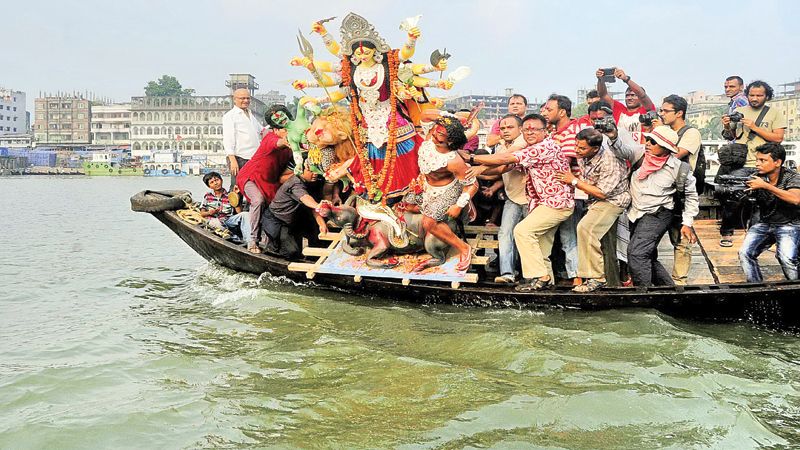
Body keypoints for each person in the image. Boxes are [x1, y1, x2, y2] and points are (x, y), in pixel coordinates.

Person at [293, 13, 461, 205]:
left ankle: (412, 194)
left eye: (367, 51)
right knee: (368, 162)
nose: (362, 55)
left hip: (394, 122)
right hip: (366, 125)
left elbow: (410, 64)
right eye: (358, 53)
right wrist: (310, 71)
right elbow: (331, 84)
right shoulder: (350, 70)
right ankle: (373, 196)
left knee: (405, 159)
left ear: (376, 50)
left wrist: (413, 42)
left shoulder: (388, 65)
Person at [468, 114, 575, 291]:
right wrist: (471, 169)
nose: (530, 133)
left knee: (522, 231)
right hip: (544, 205)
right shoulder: (532, 150)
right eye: (526, 130)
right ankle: (545, 287)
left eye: (534, 129)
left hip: (556, 204)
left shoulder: (544, 147)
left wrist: (472, 158)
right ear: (522, 132)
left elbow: (504, 159)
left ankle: (541, 277)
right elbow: (503, 168)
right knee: (541, 248)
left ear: (545, 130)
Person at [608, 125, 699, 288]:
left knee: (636, 253)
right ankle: (668, 289)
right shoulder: (639, 154)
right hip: (635, 213)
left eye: (653, 141)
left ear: (665, 147)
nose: (648, 143)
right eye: (647, 139)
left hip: (658, 213)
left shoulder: (679, 169)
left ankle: (643, 293)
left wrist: (687, 223)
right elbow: (622, 150)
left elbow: (692, 197)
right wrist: (614, 136)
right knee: (647, 256)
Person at [554, 128, 630, 292]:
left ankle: (597, 278)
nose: (577, 150)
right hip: (593, 200)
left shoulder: (610, 160)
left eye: (581, 148)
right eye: (576, 146)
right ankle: (592, 278)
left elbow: (603, 193)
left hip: (613, 200)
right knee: (587, 231)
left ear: (595, 148)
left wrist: (574, 182)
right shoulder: (584, 156)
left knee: (586, 228)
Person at [720, 80, 786, 245]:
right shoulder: (740, 110)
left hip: (764, 165)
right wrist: (727, 127)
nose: (754, 98)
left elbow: (778, 138)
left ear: (767, 96)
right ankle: (726, 233)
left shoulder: (775, 113)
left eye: (759, 95)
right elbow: (731, 137)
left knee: (761, 202)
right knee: (731, 196)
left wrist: (755, 127)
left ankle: (753, 236)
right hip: (741, 162)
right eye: (752, 95)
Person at [409, 113, 477, 271]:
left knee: (429, 222)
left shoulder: (454, 161)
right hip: (425, 184)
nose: (434, 134)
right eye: (435, 130)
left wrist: (459, 205)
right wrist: (452, 118)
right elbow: (426, 115)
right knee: (408, 206)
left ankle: (463, 248)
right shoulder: (428, 139)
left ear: (450, 141)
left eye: (439, 134)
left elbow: (473, 185)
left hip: (446, 190)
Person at [738, 143, 800, 283]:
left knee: (786, 258)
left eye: (763, 160)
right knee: (745, 253)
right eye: (757, 160)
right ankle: (756, 288)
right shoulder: (757, 176)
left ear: (778, 162)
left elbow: (795, 199)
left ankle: (795, 289)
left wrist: (765, 186)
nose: (757, 164)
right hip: (765, 222)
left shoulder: (792, 177)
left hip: (790, 223)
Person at [236, 105, 294, 253]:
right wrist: (285, 140)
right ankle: (253, 240)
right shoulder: (271, 137)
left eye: (289, 129)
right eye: (284, 130)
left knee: (275, 209)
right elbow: (276, 143)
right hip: (251, 177)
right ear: (276, 130)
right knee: (258, 200)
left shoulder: (292, 147)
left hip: (271, 183)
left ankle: (270, 245)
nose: (287, 132)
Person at [660, 94, 702, 284]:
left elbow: (677, 155)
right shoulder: (663, 130)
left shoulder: (690, 133)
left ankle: (680, 281)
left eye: (665, 111)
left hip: (681, 192)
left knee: (681, 238)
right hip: (661, 191)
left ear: (679, 113)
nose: (662, 114)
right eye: (661, 110)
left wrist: (658, 137)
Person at [542, 94, 583, 285]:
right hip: (554, 194)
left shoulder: (572, 131)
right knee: (556, 239)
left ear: (562, 111)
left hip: (571, 193)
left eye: (549, 109)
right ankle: (557, 275)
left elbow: (562, 162)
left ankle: (577, 277)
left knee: (569, 237)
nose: (545, 113)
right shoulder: (553, 134)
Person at [484, 114, 527, 283]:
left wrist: (474, 166)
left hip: (531, 198)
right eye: (502, 128)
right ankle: (507, 274)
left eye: (510, 127)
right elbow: (501, 172)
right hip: (513, 197)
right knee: (505, 234)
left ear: (520, 129)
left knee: (528, 236)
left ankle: (531, 275)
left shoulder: (524, 143)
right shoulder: (501, 147)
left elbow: (499, 166)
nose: (505, 131)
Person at [262, 161, 328, 259]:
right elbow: (306, 199)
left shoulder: (314, 183)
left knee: (314, 233)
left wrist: (322, 224)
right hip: (276, 221)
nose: (315, 173)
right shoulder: (295, 183)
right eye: (310, 170)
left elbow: (313, 207)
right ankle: (274, 249)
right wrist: (319, 206)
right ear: (301, 170)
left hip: (293, 221)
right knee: (292, 252)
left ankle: (313, 258)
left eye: (316, 170)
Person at [595, 67, 655, 144]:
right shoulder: (619, 109)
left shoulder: (646, 109)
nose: (629, 98)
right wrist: (600, 80)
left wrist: (626, 79)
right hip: (621, 151)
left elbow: (642, 95)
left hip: (641, 151)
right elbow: (603, 95)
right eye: (627, 95)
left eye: (633, 95)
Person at [222, 88, 264, 191]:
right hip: (239, 157)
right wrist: (232, 160)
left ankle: (251, 207)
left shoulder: (250, 114)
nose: (245, 101)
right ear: (235, 99)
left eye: (248, 98)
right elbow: (228, 138)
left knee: (255, 186)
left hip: (254, 158)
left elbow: (261, 131)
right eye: (242, 98)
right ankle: (235, 207)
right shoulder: (230, 116)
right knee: (237, 186)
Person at [199, 171, 251, 243]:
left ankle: (249, 242)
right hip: (214, 221)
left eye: (217, 180)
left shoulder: (230, 195)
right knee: (215, 222)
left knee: (245, 214)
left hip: (227, 220)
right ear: (209, 186)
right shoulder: (207, 196)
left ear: (221, 180)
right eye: (212, 182)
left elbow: (239, 211)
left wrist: (235, 196)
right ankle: (234, 238)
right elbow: (202, 213)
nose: (216, 183)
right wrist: (210, 212)